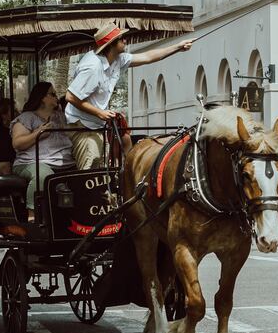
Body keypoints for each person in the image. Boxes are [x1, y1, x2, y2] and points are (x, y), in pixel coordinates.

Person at [64, 23, 195, 169]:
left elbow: (147, 56)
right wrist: (99, 112)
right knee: (89, 170)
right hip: (82, 127)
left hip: (95, 127)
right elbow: (70, 97)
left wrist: (178, 47)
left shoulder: (117, 59)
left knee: (99, 169)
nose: (125, 41)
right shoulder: (92, 67)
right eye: (121, 39)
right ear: (111, 44)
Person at [11, 82, 75, 221]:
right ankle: (32, 215)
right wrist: (38, 133)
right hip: (31, 162)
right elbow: (17, 143)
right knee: (44, 174)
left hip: (65, 163)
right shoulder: (27, 117)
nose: (56, 97)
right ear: (42, 98)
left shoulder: (60, 117)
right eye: (52, 94)